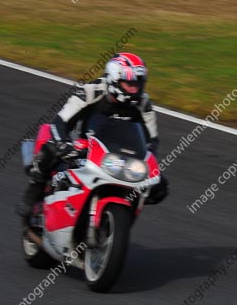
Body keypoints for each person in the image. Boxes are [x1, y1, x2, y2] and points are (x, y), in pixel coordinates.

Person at [16, 52, 168, 218]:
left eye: (138, 84)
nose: (134, 89)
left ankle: (120, 215)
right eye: (129, 84)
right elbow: (61, 121)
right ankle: (34, 189)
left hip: (122, 156)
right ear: (114, 80)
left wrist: (150, 163)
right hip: (85, 149)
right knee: (50, 145)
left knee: (160, 186)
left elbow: (152, 140)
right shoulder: (90, 91)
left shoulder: (143, 103)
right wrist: (64, 144)